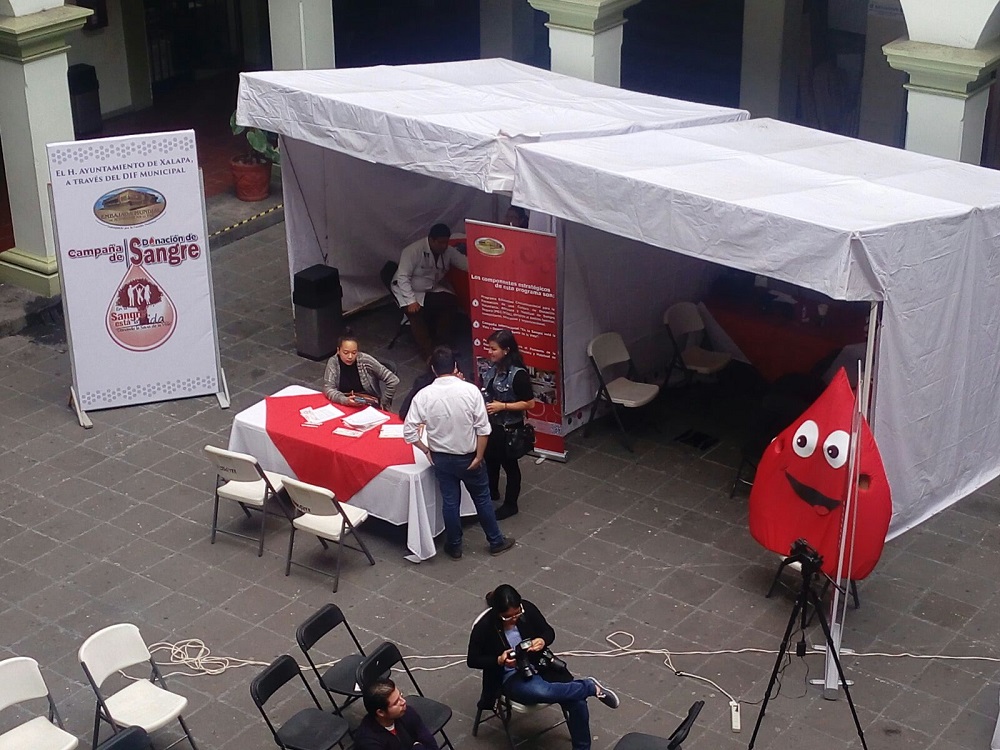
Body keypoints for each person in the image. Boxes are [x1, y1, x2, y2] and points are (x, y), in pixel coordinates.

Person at [467, 584, 619, 750]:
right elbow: (473, 660)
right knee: (541, 691)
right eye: (507, 617)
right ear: (497, 613)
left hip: (539, 663)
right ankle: (588, 687)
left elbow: (548, 632)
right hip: (509, 676)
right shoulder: (484, 627)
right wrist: (499, 660)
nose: (514, 619)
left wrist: (542, 641)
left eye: (517, 613)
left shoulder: (528, 609)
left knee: (577, 702)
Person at [403, 346, 516, 559]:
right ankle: (495, 541)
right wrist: (479, 456)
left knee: (450, 501)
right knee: (482, 498)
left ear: (434, 370)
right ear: (455, 367)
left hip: (441, 458)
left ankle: (454, 546)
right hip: (469, 456)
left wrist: (427, 450)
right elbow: (483, 429)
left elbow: (409, 432)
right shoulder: (470, 391)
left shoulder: (423, 396)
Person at [391, 223, 468, 358]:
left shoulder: (447, 251)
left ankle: (443, 342)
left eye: (446, 242)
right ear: (431, 240)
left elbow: (465, 264)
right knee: (415, 314)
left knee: (450, 302)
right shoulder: (412, 251)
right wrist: (410, 301)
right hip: (406, 289)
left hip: (429, 288)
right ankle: (429, 354)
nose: (444, 246)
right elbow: (403, 277)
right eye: (440, 242)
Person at [482, 329, 535, 519]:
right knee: (491, 461)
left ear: (506, 350)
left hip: (509, 428)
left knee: (510, 466)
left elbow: (529, 403)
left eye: (493, 349)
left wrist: (502, 406)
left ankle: (511, 504)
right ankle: (491, 491)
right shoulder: (492, 369)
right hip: (492, 426)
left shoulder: (517, 375)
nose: (490, 352)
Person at [354, 678, 439, 750]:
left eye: (400, 696)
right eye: (395, 703)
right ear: (381, 712)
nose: (403, 702)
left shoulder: (406, 712)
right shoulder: (368, 742)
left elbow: (431, 745)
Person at [322, 333, 399, 409]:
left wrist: (384, 402)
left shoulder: (366, 360)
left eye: (354, 353)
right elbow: (328, 388)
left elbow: (393, 380)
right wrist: (344, 400)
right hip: (344, 400)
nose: (350, 356)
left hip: (367, 401)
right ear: (338, 351)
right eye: (345, 353)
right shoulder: (333, 362)